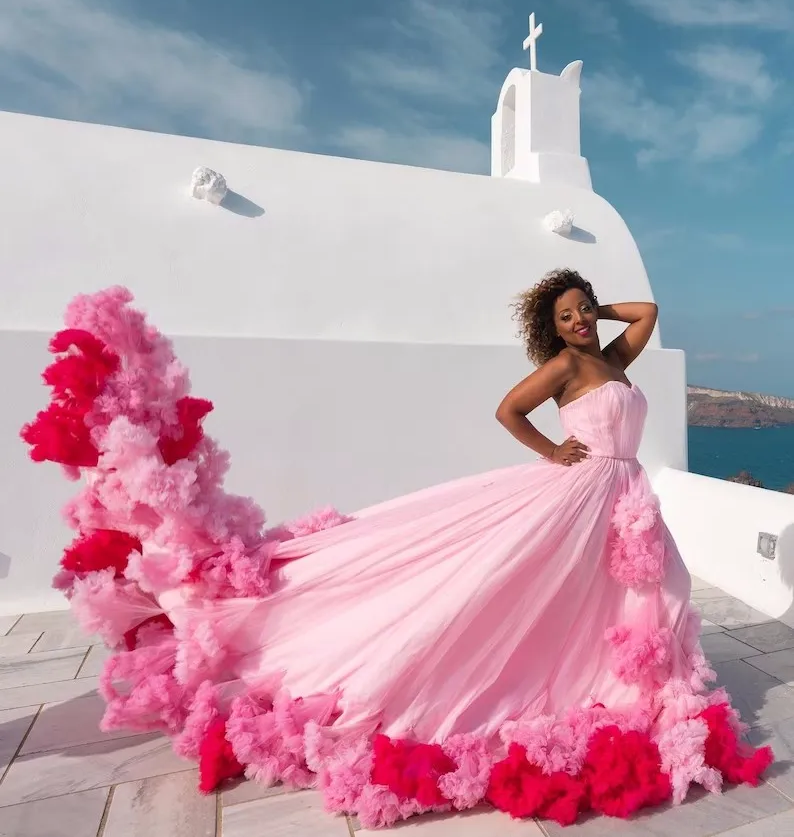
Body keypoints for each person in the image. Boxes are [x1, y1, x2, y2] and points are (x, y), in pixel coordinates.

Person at [25, 277, 772, 830]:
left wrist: (599, 307)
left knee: (625, 601)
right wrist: (554, 449)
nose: (577, 321)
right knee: (519, 593)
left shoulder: (612, 353)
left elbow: (650, 313)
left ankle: (619, 680)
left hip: (627, 495)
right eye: (565, 315)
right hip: (580, 492)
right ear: (552, 330)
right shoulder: (566, 370)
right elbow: (509, 408)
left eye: (582, 310)